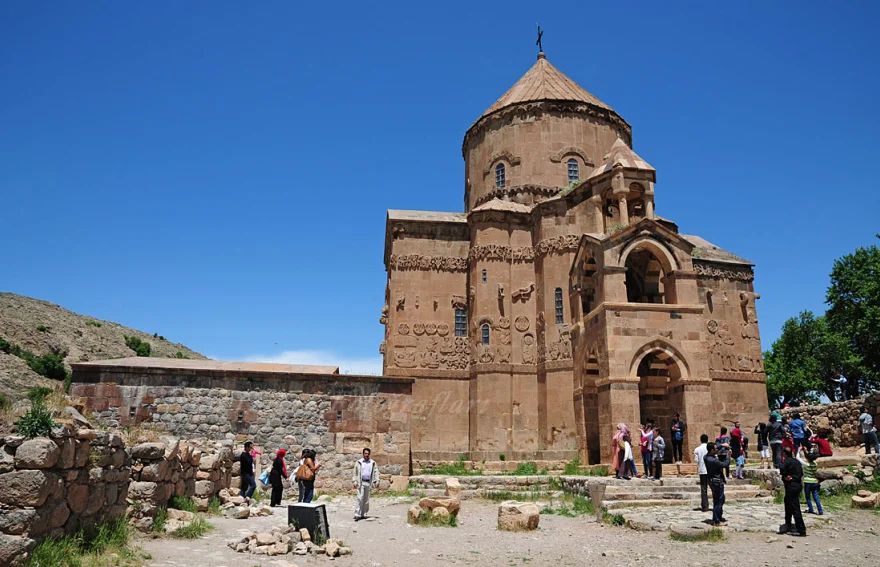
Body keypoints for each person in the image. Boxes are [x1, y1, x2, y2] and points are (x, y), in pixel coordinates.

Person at [778, 446, 807, 537]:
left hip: (792, 486)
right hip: (798, 485)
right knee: (788, 503)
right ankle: (788, 523)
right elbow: (801, 473)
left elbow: (781, 468)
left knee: (795, 507)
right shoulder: (796, 461)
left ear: (784, 454)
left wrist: (787, 475)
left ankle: (801, 530)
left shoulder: (787, 461)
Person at [704, 442, 729, 526]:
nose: (717, 449)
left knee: (718, 500)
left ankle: (718, 517)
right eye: (715, 449)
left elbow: (713, 448)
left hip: (712, 481)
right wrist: (728, 456)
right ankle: (716, 520)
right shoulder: (713, 460)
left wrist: (722, 445)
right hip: (717, 482)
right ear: (712, 450)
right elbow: (725, 464)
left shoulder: (706, 457)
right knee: (718, 501)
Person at [353, 447, 379, 520]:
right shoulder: (359, 462)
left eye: (367, 453)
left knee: (366, 499)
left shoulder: (372, 463)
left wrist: (377, 481)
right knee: (360, 498)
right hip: (360, 482)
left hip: (368, 482)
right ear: (363, 454)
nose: (366, 455)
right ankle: (357, 514)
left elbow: (376, 472)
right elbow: (355, 472)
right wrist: (354, 481)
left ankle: (363, 514)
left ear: (369, 454)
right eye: (365, 453)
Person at [799, 448, 823, 515]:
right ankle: (820, 510)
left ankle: (811, 509)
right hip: (814, 481)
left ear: (808, 459)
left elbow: (798, 458)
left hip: (807, 482)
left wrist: (798, 451)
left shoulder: (806, 465)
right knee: (816, 496)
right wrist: (806, 451)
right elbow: (810, 457)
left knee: (808, 496)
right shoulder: (815, 464)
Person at [694, 433, 710, 512]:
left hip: (702, 470)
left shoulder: (697, 449)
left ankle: (705, 506)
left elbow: (696, 460)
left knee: (704, 489)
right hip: (710, 470)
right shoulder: (709, 448)